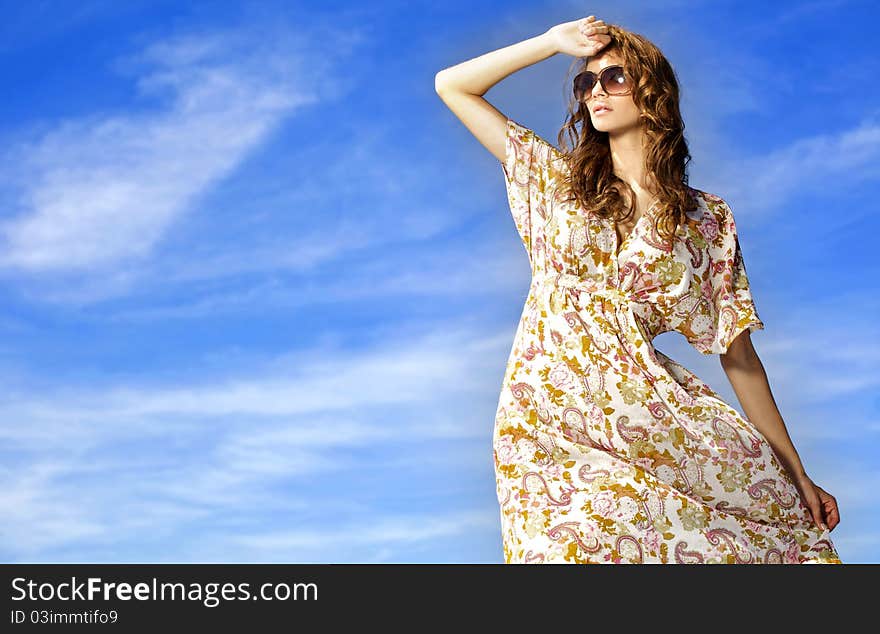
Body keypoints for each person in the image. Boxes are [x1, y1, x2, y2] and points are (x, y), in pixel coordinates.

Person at [435, 16, 842, 563]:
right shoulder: (552, 181)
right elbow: (453, 84)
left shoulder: (707, 220)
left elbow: (740, 357)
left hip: (658, 425)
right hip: (547, 428)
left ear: (654, 93)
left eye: (614, 78)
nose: (596, 92)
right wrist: (551, 43)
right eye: (586, 83)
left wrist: (798, 474)